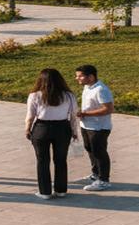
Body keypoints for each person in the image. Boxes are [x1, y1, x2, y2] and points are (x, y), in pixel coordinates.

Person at [25, 68, 79, 200]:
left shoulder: (35, 95)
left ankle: (45, 192)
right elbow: (73, 115)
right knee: (61, 160)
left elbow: (30, 116)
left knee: (42, 161)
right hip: (62, 128)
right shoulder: (68, 96)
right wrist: (74, 131)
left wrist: (27, 129)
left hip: (42, 128)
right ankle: (61, 190)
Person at [74, 64, 114, 191]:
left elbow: (108, 109)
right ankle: (95, 175)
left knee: (99, 152)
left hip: (99, 128)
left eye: (80, 76)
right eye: (77, 76)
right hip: (86, 125)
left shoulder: (101, 89)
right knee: (90, 149)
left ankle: (104, 180)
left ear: (90, 77)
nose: (77, 79)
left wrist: (85, 114)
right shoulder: (87, 86)